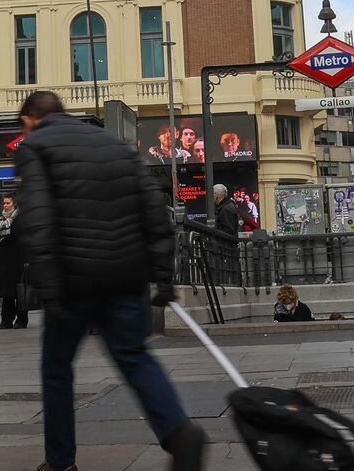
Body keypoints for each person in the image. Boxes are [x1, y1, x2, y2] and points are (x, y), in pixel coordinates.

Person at [14, 89, 208, 471]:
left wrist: (47, 286)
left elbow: (37, 218)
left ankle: (60, 462)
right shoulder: (113, 144)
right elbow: (154, 209)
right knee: (134, 356)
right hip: (125, 273)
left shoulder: (34, 146)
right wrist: (162, 276)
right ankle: (178, 431)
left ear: (29, 119)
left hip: (74, 277)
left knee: (57, 369)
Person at [0, 195, 29, 331]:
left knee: (20, 293)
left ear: (14, 204)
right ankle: (6, 320)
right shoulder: (1, 220)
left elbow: (25, 241)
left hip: (18, 262)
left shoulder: (21, 219)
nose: (5, 205)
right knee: (7, 294)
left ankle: (21, 320)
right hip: (4, 263)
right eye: (4, 203)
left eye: (7, 203)